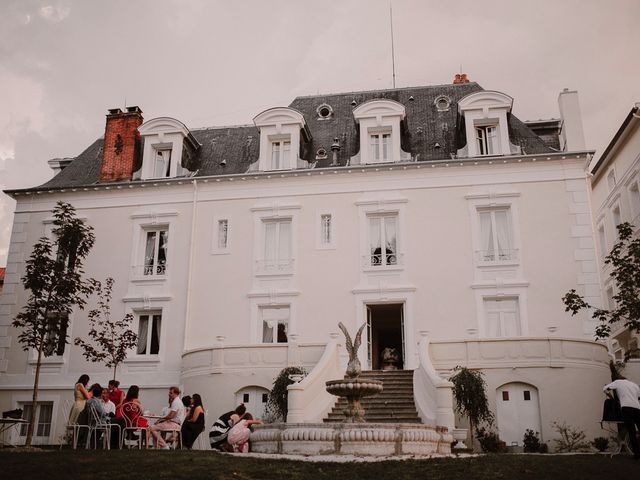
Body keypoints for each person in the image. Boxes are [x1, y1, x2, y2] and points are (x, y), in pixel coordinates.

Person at [604, 376, 640, 458]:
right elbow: (639, 396)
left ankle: (637, 454)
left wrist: (611, 397)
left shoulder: (618, 382)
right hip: (637, 408)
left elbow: (605, 389)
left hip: (626, 407)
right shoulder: (634, 385)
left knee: (632, 431)